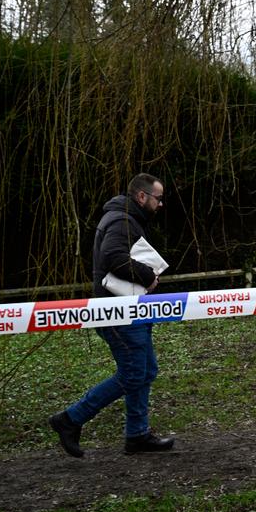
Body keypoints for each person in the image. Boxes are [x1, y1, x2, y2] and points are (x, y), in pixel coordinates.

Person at [49, 173, 176, 458]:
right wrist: (148, 277)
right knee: (133, 373)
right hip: (118, 313)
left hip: (130, 310)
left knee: (145, 371)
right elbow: (114, 258)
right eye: (158, 198)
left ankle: (137, 435)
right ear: (142, 197)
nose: (160, 204)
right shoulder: (122, 221)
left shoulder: (127, 219)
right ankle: (69, 420)